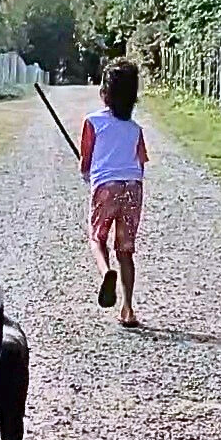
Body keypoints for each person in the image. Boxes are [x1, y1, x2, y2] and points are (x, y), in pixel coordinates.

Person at [79, 60, 149, 328]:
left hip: (106, 187)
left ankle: (105, 271)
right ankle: (128, 309)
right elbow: (140, 161)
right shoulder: (136, 129)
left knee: (97, 238)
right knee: (125, 249)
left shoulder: (93, 122)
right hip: (133, 187)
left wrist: (87, 174)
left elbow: (86, 159)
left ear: (104, 93)